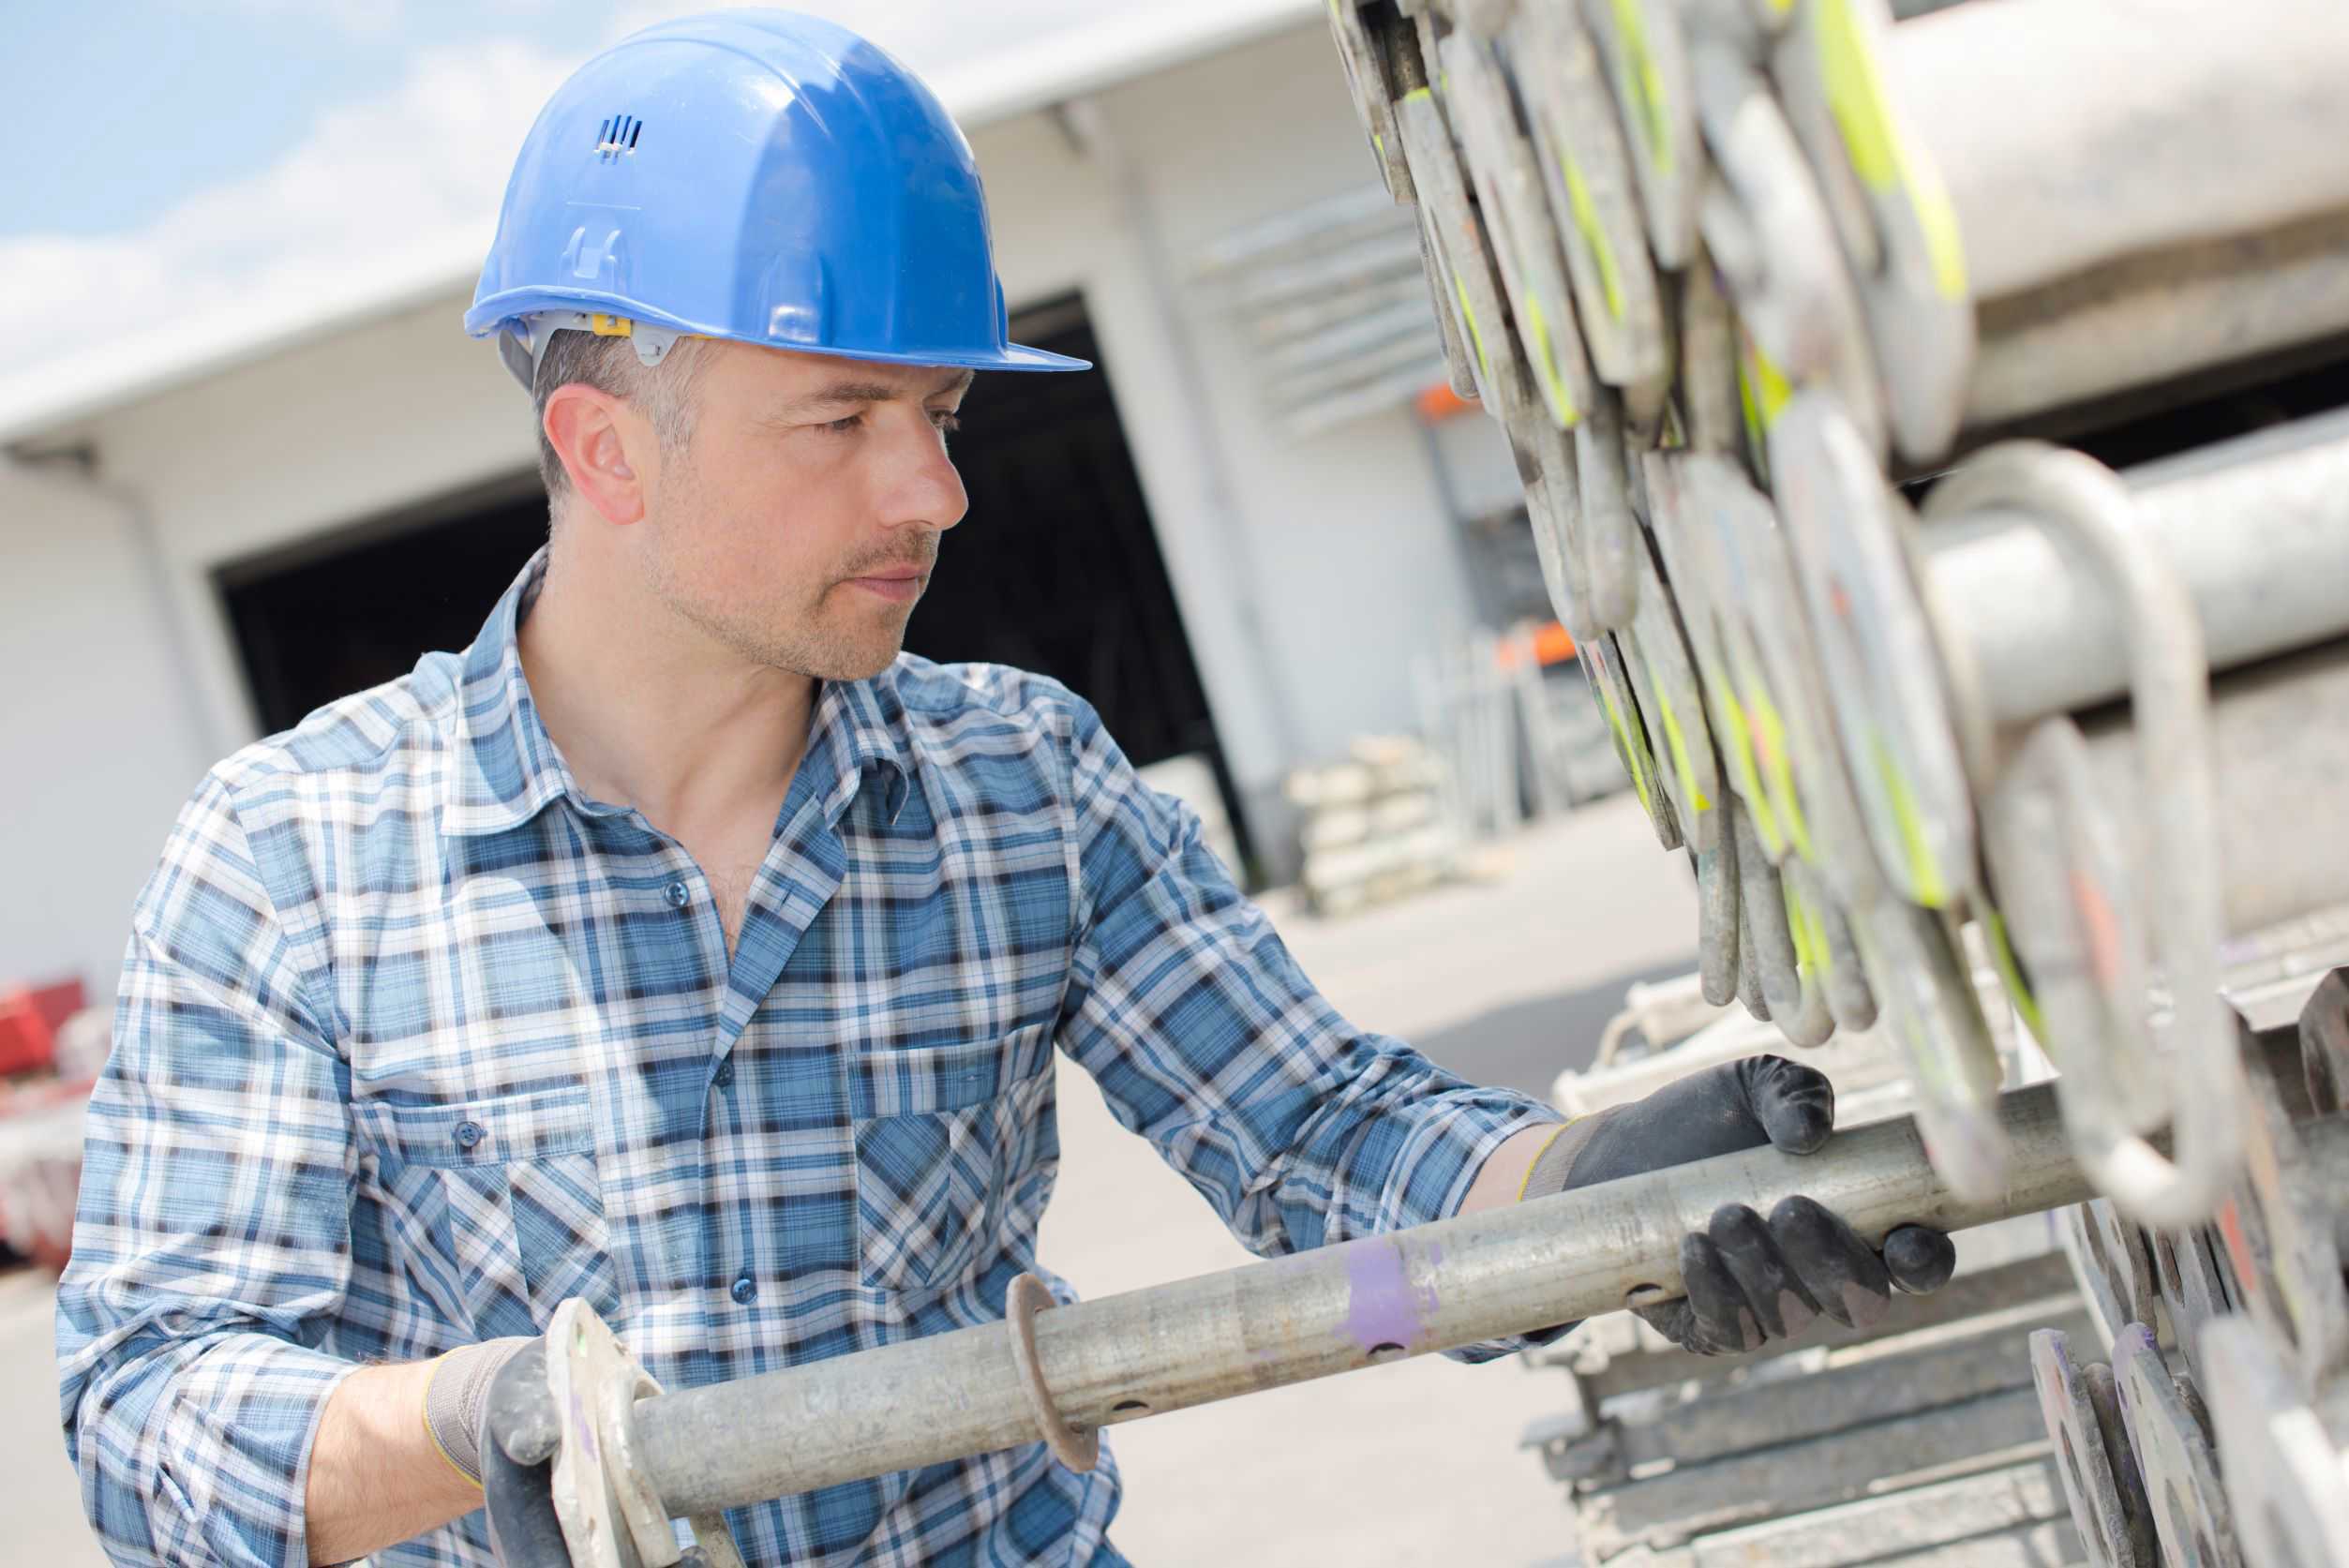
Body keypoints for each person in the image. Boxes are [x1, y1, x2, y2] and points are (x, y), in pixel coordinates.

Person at [56, 11, 1953, 1565]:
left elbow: (1321, 1142)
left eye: (941, 419)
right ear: (605, 450)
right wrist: (473, 1421)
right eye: (846, 422)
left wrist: (1588, 1197)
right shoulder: (290, 866)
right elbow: (148, 1419)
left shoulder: (1013, 787)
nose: (936, 494)